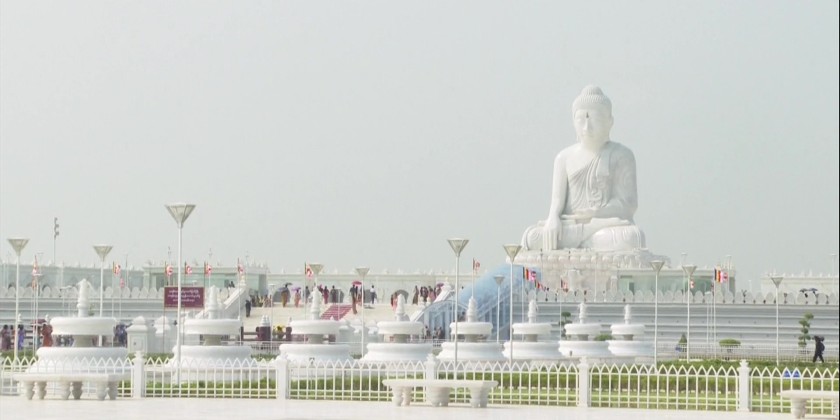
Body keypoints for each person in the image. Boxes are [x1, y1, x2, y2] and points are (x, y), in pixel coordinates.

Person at [521, 85, 645, 251]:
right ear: (573, 122)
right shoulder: (564, 157)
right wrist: (553, 219)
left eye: (595, 119)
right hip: (569, 226)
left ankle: (581, 243)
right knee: (533, 237)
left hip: (605, 226)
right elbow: (556, 203)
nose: (587, 127)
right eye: (581, 120)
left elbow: (628, 205)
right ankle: (583, 243)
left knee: (631, 237)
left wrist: (594, 213)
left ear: (610, 122)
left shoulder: (622, 155)